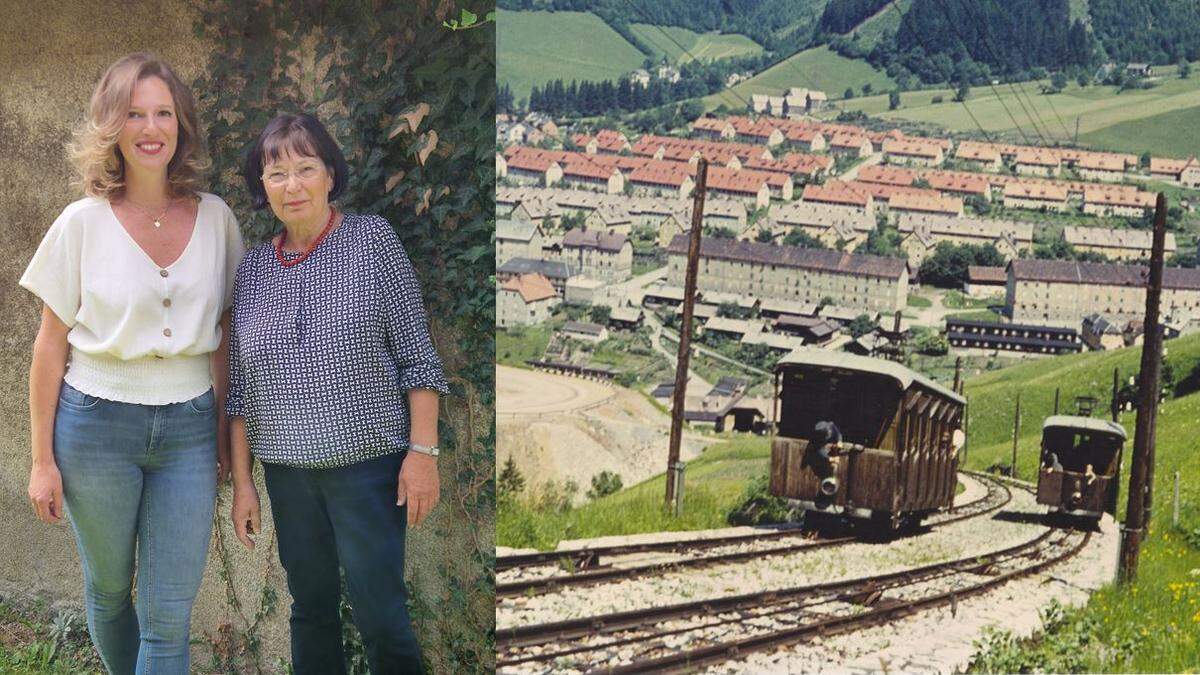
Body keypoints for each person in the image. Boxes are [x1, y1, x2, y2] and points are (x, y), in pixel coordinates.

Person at [21, 53, 244, 674]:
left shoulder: (218, 219)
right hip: (95, 428)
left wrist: (228, 432)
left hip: (190, 432)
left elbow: (226, 337)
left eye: (164, 113)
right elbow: (49, 345)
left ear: (182, 126)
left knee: (169, 619)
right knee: (111, 592)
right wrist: (41, 462)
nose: (151, 128)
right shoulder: (81, 224)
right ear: (112, 126)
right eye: (135, 113)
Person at [227, 113, 448, 674]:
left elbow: (418, 359)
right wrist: (244, 483)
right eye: (277, 174)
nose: (292, 184)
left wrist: (422, 455)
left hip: (368, 470)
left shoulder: (371, 242)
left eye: (306, 168)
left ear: (330, 174)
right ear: (263, 187)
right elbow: (240, 392)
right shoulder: (252, 268)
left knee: (382, 616)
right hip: (288, 475)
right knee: (311, 611)